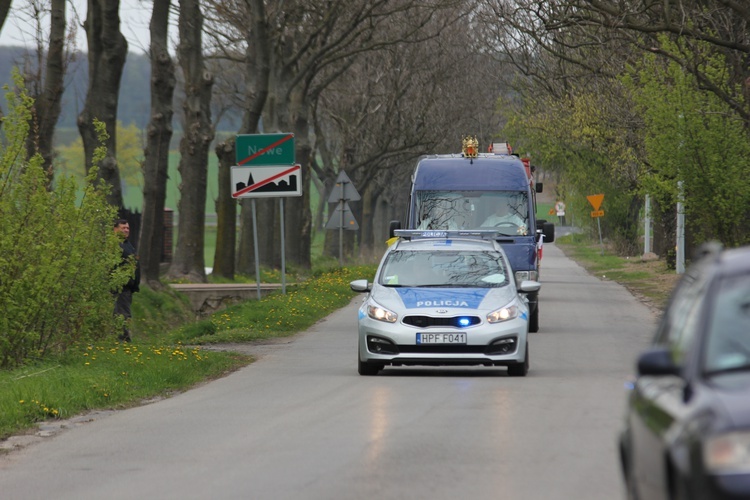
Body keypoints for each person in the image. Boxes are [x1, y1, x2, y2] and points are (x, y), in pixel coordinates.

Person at [113, 219, 140, 342]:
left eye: (127, 228)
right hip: (119, 287)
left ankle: (123, 340)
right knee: (122, 315)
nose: (126, 230)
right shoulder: (113, 246)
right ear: (115, 229)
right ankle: (123, 342)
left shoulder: (127, 244)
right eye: (123, 228)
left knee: (124, 314)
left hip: (128, 288)